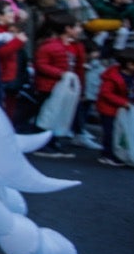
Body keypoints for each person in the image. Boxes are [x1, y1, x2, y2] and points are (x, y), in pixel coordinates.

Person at [33, 14, 91, 157]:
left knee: (61, 116)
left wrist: (81, 88)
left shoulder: (75, 47)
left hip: (67, 88)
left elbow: (79, 69)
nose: (79, 29)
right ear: (67, 29)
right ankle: (43, 144)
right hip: (49, 87)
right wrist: (60, 74)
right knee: (47, 115)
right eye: (76, 26)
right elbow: (41, 65)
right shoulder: (49, 46)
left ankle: (54, 142)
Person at [94, 48, 134, 168]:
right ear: (130, 64)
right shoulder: (113, 76)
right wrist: (123, 102)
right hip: (109, 109)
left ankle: (116, 153)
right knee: (110, 131)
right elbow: (106, 93)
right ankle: (107, 154)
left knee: (120, 131)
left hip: (123, 108)